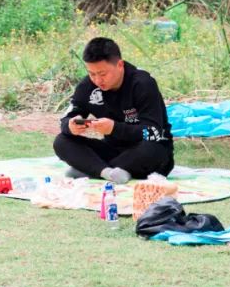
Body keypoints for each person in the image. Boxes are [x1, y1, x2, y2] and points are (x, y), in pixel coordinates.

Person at [53, 37, 174, 184]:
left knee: (153, 150)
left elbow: (153, 133)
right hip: (111, 150)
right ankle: (109, 172)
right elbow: (66, 119)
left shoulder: (143, 84)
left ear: (120, 65)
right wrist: (70, 125)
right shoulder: (87, 86)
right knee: (61, 141)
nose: (97, 80)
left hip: (145, 150)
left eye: (103, 74)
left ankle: (92, 169)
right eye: (92, 74)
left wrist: (115, 128)